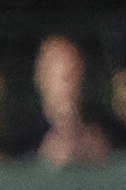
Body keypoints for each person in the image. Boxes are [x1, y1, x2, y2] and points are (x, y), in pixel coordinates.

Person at [32, 33, 114, 165]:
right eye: (65, 77)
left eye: (77, 75)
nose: (72, 86)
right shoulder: (24, 136)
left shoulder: (107, 130)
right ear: (42, 78)